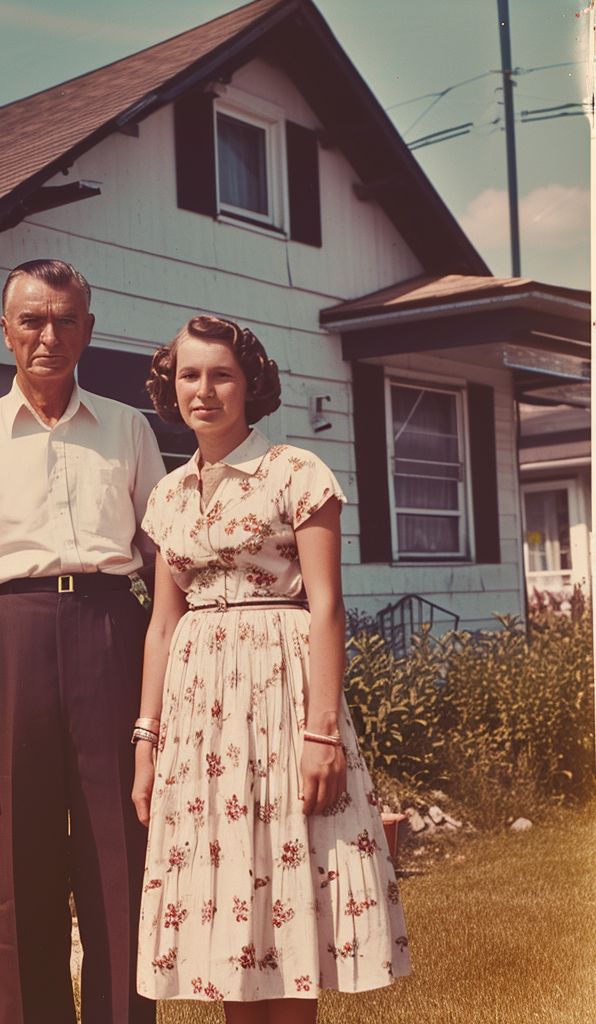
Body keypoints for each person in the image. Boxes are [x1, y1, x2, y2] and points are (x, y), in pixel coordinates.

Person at [131, 315, 410, 1022]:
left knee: (286, 893)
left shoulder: (294, 472)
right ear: (172, 389)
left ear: (249, 383)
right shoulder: (166, 496)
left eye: (221, 374)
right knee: (230, 902)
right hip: (200, 714)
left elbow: (327, 610)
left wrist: (321, 733)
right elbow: (163, 624)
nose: (204, 390)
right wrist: (146, 738)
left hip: (283, 699)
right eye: (189, 376)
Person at [0, 259, 165, 1024]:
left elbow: (163, 559)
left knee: (121, 852)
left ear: (88, 331)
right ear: (6, 330)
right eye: (32, 319)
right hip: (10, 636)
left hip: (111, 632)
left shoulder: (129, 429)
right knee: (18, 858)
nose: (48, 335)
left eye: (65, 319)